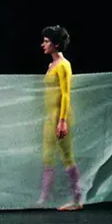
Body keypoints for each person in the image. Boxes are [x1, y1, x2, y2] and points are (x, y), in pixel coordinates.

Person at [38, 26, 82, 211]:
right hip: (50, 116)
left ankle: (77, 199)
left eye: (47, 41)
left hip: (61, 115)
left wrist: (62, 120)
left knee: (66, 155)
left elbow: (65, 94)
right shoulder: (51, 65)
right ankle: (44, 198)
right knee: (47, 155)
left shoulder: (64, 65)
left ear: (56, 44)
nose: (43, 44)